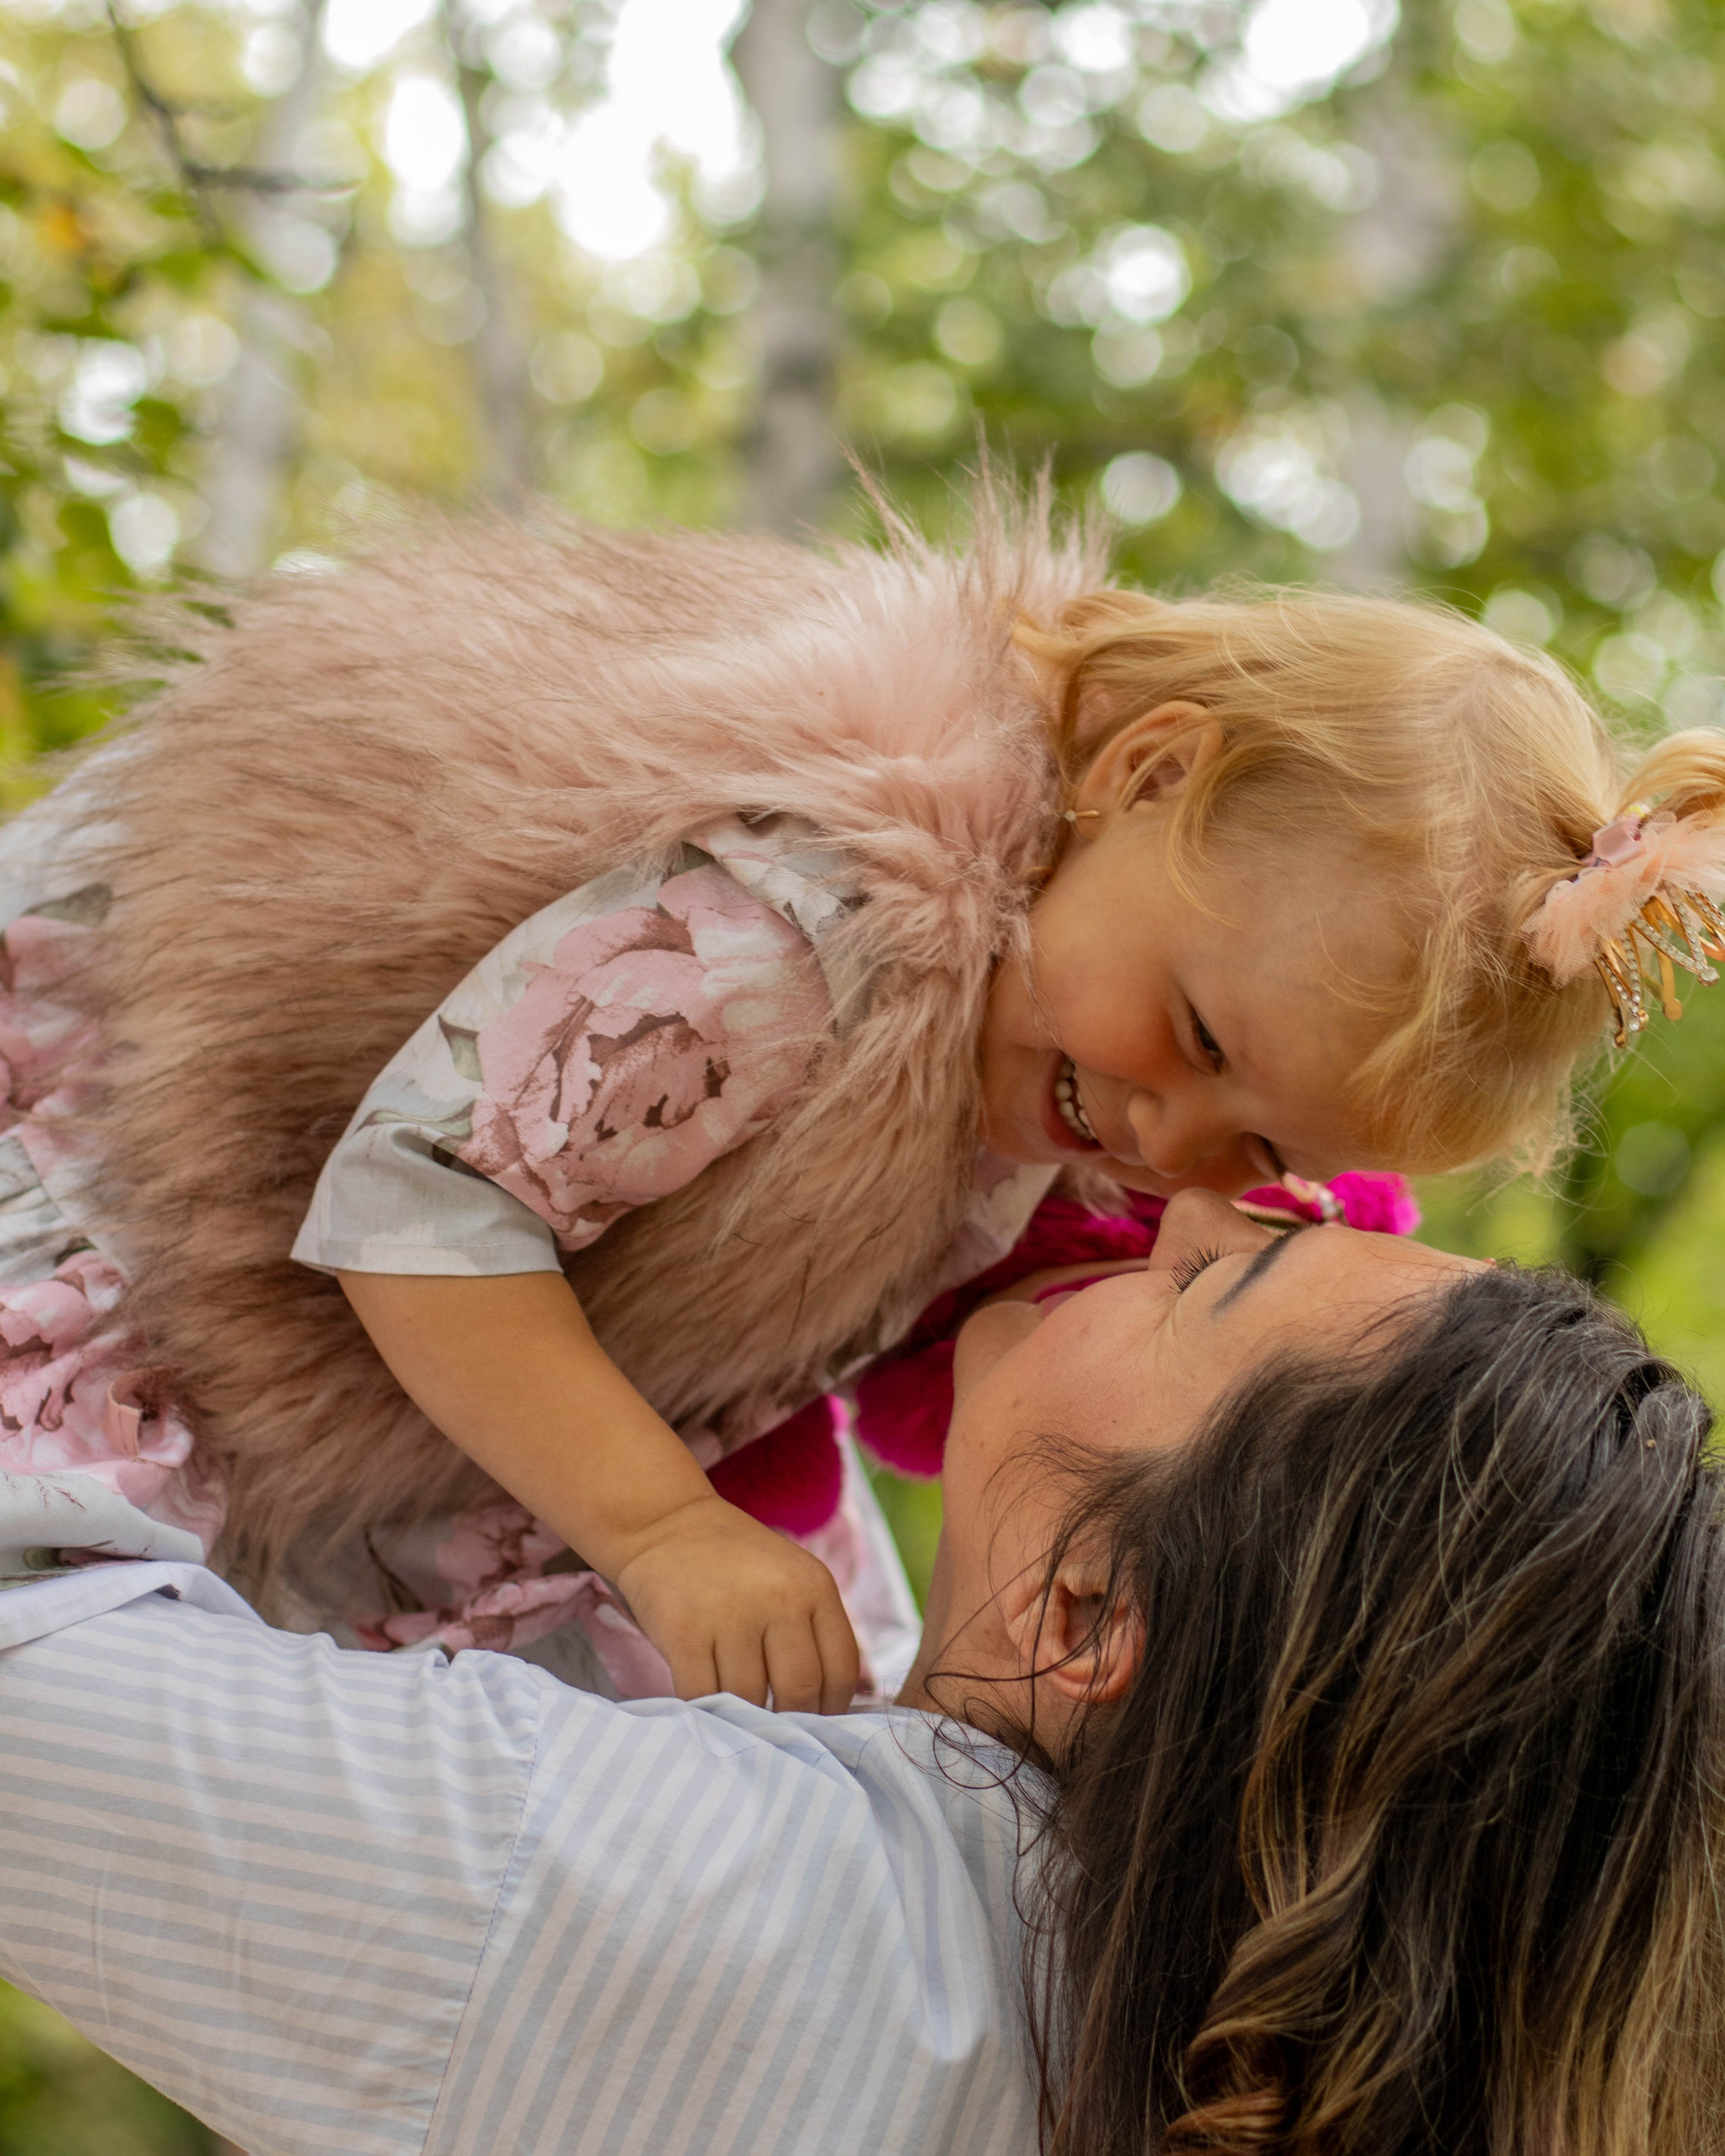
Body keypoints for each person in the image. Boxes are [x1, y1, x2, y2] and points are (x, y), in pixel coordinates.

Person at [1, 487, 1722, 1706]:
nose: (1166, 1141)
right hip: (218, 1248)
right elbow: (417, 1204)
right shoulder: (804, 928)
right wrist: (661, 1530)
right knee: (146, 1661)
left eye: (1262, 1142)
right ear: (1144, 772)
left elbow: (939, 1323)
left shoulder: (1053, 1034)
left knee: (795, 1709)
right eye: (1197, 1038)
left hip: (581, 1391)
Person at [1, 1192, 1719, 2156]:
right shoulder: (1070, 1981)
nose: (1183, 1199)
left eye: (1214, 1277)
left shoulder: (725, 1919)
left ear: (1086, 1613)